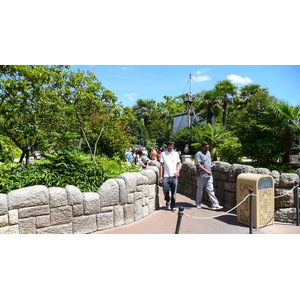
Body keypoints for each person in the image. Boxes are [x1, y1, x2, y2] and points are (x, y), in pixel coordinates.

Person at [194, 142, 223, 210]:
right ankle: (198, 203)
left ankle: (215, 204)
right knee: (200, 190)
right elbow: (198, 165)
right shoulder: (198, 154)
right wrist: (206, 171)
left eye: (208, 147)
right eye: (206, 147)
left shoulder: (208, 153)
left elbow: (208, 162)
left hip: (209, 175)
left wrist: (211, 165)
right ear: (202, 147)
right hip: (201, 175)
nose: (207, 148)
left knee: (210, 189)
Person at [159, 141, 181, 212]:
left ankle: (173, 206)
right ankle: (167, 201)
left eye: (172, 145)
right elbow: (161, 165)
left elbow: (178, 163)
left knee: (174, 192)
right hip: (166, 175)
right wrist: (161, 176)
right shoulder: (163, 154)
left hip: (174, 175)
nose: (171, 147)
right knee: (166, 191)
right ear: (167, 146)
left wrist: (177, 171)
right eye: (170, 145)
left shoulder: (176, 154)